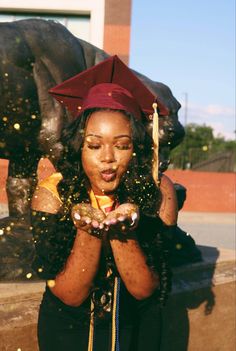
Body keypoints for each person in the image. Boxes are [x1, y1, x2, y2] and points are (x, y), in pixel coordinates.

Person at [31, 56, 178, 351]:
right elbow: (69, 294)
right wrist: (90, 228)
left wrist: (121, 230)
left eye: (122, 145)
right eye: (94, 145)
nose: (107, 157)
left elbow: (144, 289)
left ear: (136, 148)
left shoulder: (158, 191)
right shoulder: (54, 191)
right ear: (79, 146)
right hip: (68, 331)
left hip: (135, 330)